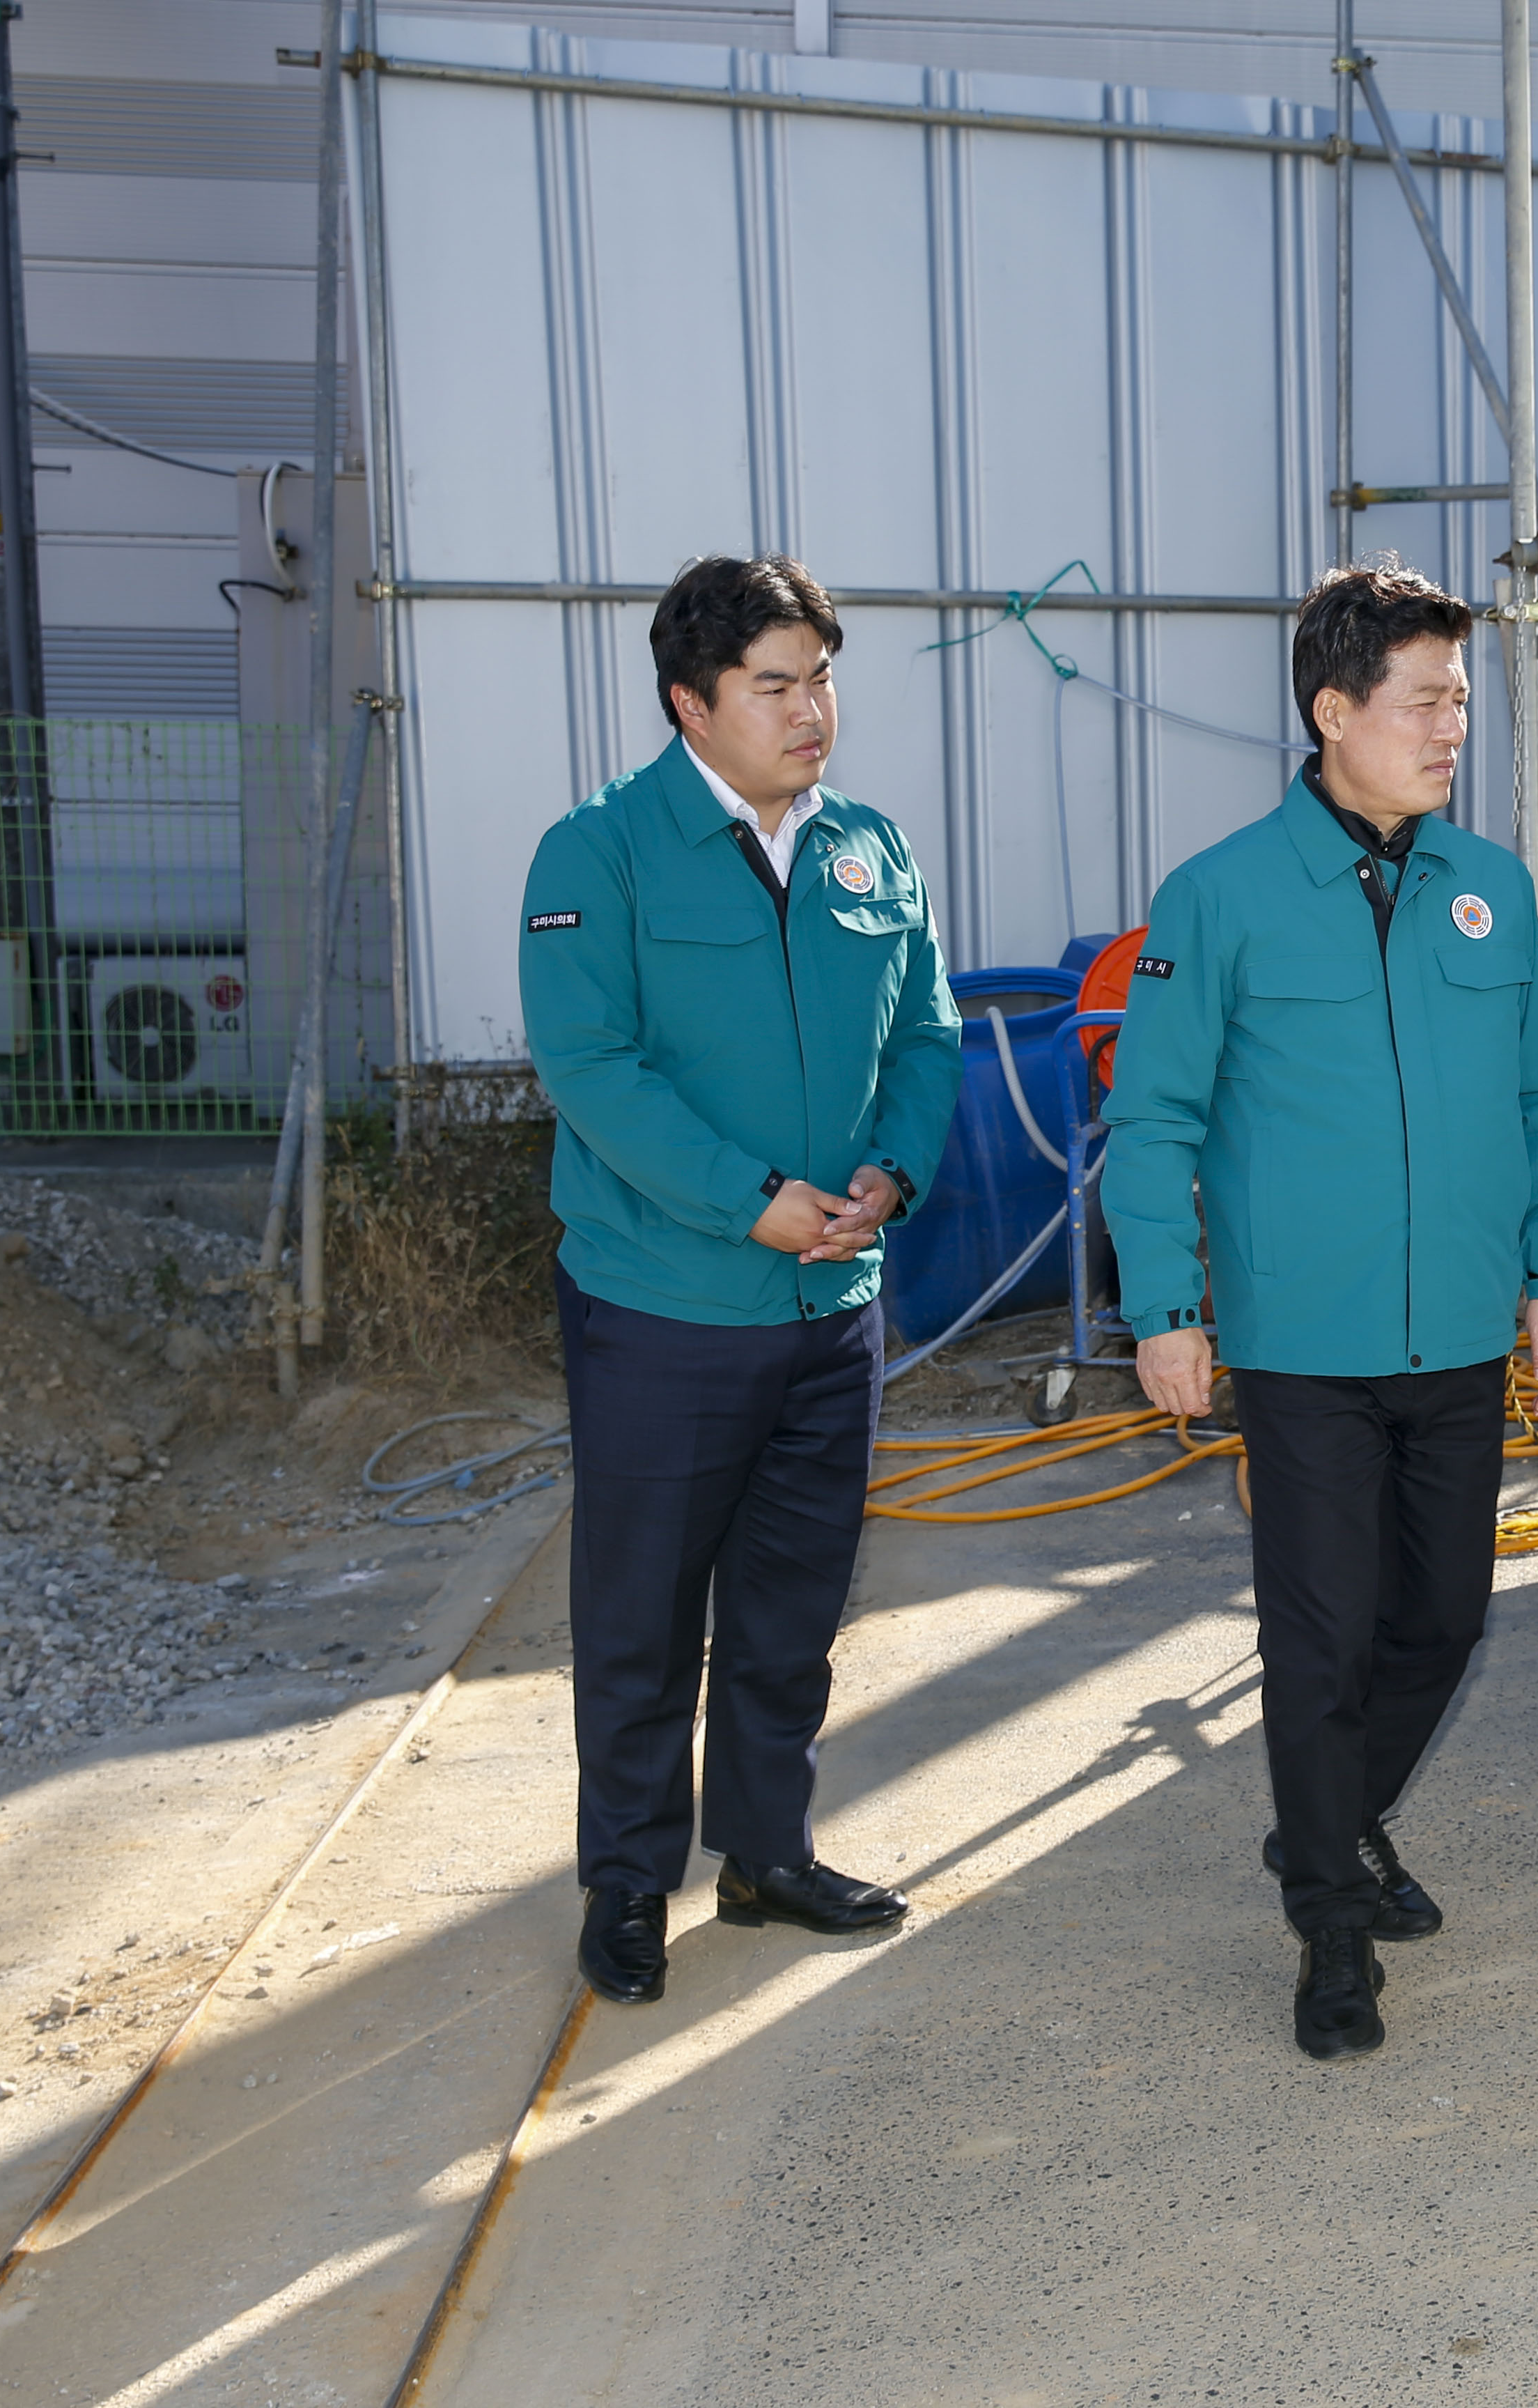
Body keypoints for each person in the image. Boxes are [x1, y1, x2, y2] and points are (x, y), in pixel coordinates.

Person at [1103, 559, 1538, 2061]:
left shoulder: (1491, 890)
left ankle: (1332, 1817)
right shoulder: (1223, 896)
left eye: (1461, 700)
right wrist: (1163, 1306)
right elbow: (1155, 1118)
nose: (1454, 728)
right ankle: (1329, 1920)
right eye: (1426, 700)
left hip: (1459, 1328)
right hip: (1303, 1344)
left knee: (1441, 1619)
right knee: (1321, 1641)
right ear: (1334, 711)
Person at [518, 555, 963, 2009]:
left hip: (830, 1308)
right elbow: (593, 1068)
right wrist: (746, 1202)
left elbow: (929, 1036)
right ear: (690, 703)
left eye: (821, 678)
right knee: (643, 1618)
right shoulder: (600, 853)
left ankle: (768, 1853)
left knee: (791, 1606)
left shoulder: (870, 849)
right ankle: (628, 1884)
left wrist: (892, 1171)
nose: (811, 710)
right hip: (667, 1307)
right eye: (774, 685)